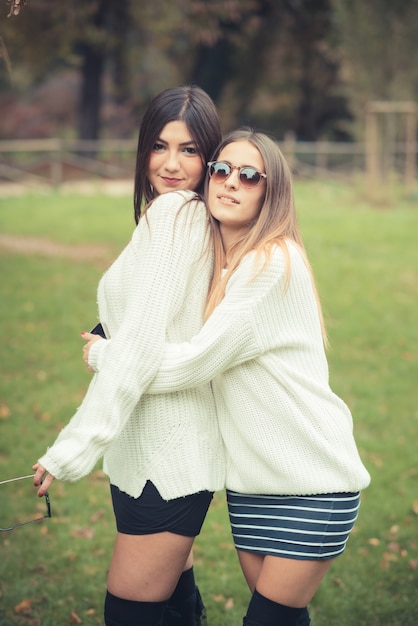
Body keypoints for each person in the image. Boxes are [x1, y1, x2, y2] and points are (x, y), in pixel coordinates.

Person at [143, 128, 371, 626]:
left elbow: (193, 362)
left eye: (249, 175)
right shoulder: (219, 262)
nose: (229, 182)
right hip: (252, 486)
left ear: (272, 192)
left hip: (313, 481)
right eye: (221, 170)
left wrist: (108, 358)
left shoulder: (271, 261)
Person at [32, 85, 225, 626]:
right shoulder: (183, 216)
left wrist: (71, 450)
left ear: (209, 157)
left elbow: (139, 351)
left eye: (188, 150)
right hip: (164, 455)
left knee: (131, 615)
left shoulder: (176, 216)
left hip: (164, 464)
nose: (170, 163)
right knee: (173, 604)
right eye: (160, 146)